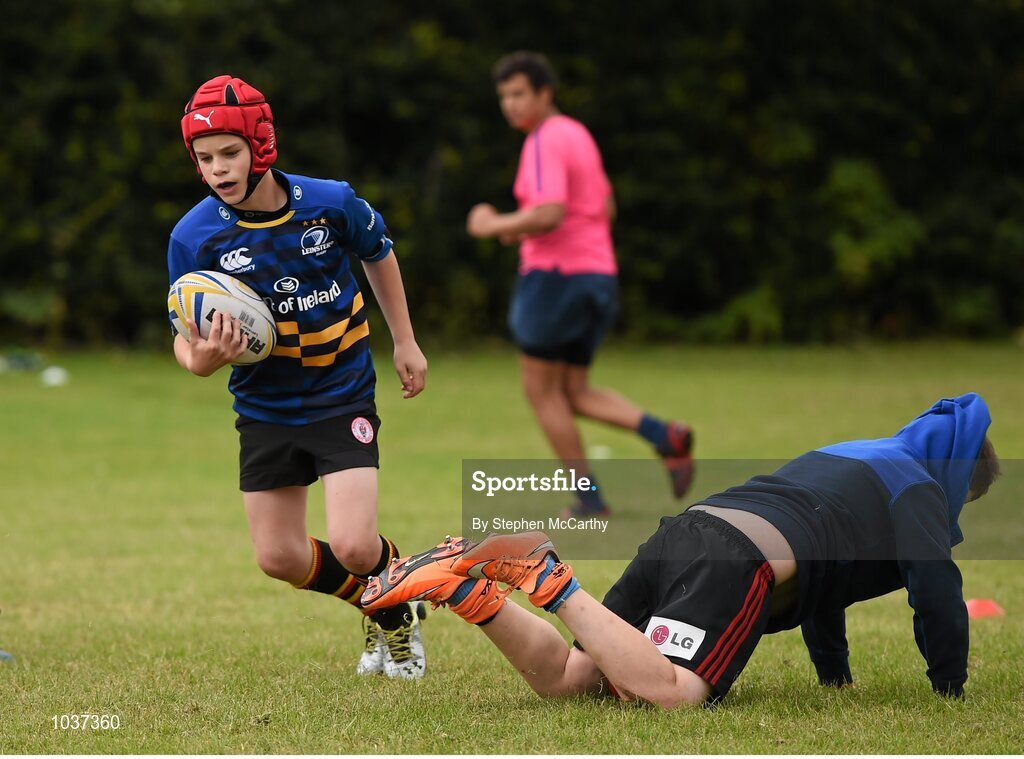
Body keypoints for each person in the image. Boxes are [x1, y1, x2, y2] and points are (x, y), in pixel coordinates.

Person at [362, 393, 999, 706]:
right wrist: (951, 689)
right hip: (737, 556)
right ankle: (544, 575)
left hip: (686, 530)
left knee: (572, 681)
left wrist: (836, 677)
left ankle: (468, 593)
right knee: (674, 693)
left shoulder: (859, 454)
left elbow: (825, 579)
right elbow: (935, 587)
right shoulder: (918, 483)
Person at [167, 75, 429, 679]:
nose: (218, 170)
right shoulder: (194, 237)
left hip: (341, 394)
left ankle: (392, 594)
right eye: (205, 159)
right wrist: (202, 361)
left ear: (261, 145)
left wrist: (406, 341)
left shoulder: (329, 202)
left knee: (357, 547)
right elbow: (187, 339)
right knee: (278, 556)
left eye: (229, 153)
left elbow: (379, 254)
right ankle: (385, 601)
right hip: (265, 408)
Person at [465, 51, 694, 516]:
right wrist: (525, 226)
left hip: (554, 279)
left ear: (544, 93)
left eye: (518, 94)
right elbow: (603, 208)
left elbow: (550, 212)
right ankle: (664, 436)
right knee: (574, 391)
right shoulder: (578, 134)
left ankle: (589, 500)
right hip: (597, 277)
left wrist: (489, 223)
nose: (509, 104)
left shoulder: (544, 140)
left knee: (540, 391)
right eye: (503, 96)